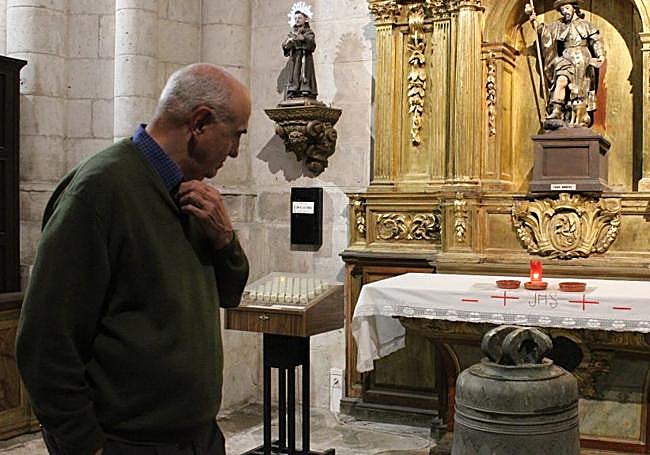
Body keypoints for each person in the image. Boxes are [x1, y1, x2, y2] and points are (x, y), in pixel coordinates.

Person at [15, 63, 251, 455]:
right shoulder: (99, 190)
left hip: (197, 437)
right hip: (127, 444)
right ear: (200, 123)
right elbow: (45, 343)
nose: (235, 151)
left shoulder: (191, 194)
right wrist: (84, 445)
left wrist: (225, 240)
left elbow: (231, 294)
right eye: (235, 135)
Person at [529, 0, 605, 127]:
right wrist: (533, 20)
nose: (565, 11)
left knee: (579, 89)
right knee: (561, 80)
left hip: (582, 58)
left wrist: (600, 55)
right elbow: (544, 32)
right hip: (566, 57)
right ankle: (556, 111)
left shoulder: (585, 24)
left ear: (574, 8)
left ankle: (580, 118)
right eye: (562, 9)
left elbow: (595, 41)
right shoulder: (559, 26)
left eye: (567, 8)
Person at [282, 3, 318, 99]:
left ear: (305, 19)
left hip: (304, 57)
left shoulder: (308, 32)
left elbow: (312, 44)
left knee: (304, 73)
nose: (297, 20)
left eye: (299, 18)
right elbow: (285, 44)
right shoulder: (292, 32)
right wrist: (287, 44)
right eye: (296, 18)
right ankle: (294, 90)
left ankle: (305, 89)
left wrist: (303, 39)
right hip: (294, 58)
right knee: (294, 73)